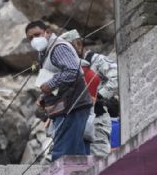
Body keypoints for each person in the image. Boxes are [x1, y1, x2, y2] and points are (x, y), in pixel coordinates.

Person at [26, 21, 93, 161]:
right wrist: (43, 97)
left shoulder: (58, 48)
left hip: (73, 106)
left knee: (63, 154)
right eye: (30, 38)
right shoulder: (44, 53)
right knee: (76, 153)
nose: (34, 40)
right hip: (63, 107)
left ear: (47, 32)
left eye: (37, 35)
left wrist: (51, 84)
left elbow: (73, 71)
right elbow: (52, 75)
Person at [61, 29, 118, 157]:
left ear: (78, 44)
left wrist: (100, 95)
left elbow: (117, 75)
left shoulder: (97, 60)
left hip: (96, 119)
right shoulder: (68, 67)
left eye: (67, 49)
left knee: (99, 159)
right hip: (76, 121)